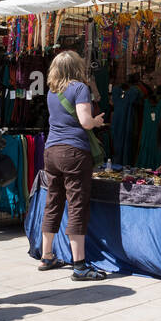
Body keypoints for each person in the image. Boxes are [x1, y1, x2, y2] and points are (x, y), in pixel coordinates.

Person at [39, 49, 108, 280]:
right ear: (76, 67)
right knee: (77, 204)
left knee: (53, 201)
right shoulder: (80, 89)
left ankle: (47, 255)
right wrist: (96, 121)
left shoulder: (52, 91)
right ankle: (79, 265)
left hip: (51, 151)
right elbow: (85, 121)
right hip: (74, 152)